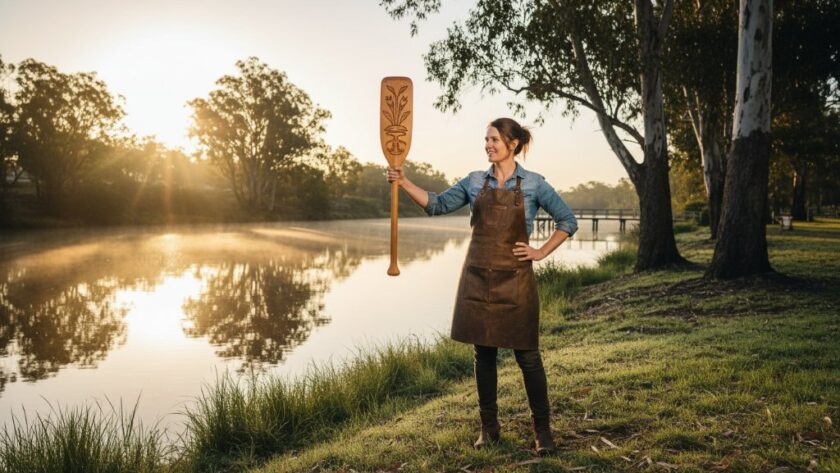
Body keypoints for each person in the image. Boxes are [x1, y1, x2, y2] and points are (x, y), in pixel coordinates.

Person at [386, 117, 578, 454]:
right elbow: (436, 205)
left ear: (513, 143)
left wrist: (540, 252)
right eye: (486, 140)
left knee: (528, 357)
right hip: (477, 277)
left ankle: (542, 432)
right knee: (483, 354)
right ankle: (489, 429)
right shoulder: (475, 182)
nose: (488, 145)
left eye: (494, 140)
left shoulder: (534, 184)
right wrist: (403, 182)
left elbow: (568, 221)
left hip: (517, 280)